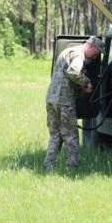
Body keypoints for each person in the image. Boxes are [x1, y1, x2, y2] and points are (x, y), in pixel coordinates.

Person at [44, 36, 105, 170]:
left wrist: (80, 89)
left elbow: (65, 76)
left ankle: (48, 166)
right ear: (91, 46)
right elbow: (73, 71)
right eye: (96, 53)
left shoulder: (67, 51)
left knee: (56, 136)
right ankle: (72, 169)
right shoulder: (79, 55)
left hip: (51, 99)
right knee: (71, 136)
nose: (95, 57)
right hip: (64, 102)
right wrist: (86, 83)